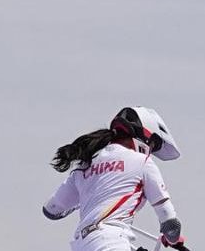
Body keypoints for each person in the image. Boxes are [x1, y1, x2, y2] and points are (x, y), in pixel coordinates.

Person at [43, 107, 189, 251]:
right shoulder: (142, 161)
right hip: (111, 242)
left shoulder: (84, 165)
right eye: (153, 144)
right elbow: (170, 223)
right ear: (145, 136)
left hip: (82, 244)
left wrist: (92, 195)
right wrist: (173, 238)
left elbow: (51, 210)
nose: (150, 150)